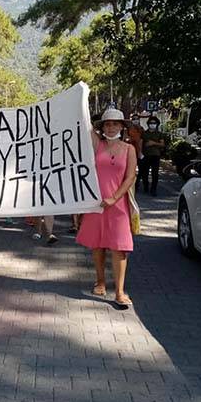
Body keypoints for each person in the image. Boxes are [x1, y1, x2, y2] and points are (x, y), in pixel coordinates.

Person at [76, 109, 137, 307]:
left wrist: (114, 198)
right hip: (96, 203)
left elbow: (130, 177)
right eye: (107, 124)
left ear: (122, 126)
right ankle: (100, 281)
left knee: (120, 248)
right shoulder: (96, 145)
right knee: (97, 244)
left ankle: (119, 291)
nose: (111, 127)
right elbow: (84, 126)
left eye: (115, 123)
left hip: (118, 205)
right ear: (102, 127)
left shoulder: (129, 149)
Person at [140, 116, 166, 196]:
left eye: (154, 123)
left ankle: (153, 189)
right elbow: (140, 143)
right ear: (148, 124)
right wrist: (140, 153)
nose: (152, 125)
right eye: (151, 123)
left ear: (157, 124)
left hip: (156, 155)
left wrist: (153, 143)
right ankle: (146, 187)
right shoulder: (144, 133)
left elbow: (162, 144)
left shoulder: (159, 134)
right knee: (145, 173)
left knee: (155, 173)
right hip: (146, 155)